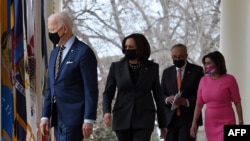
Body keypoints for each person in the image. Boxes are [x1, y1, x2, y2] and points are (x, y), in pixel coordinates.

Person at [39, 11, 99, 141]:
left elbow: (91, 88)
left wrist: (88, 118)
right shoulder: (54, 53)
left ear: (64, 28)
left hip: (74, 118)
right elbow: (50, 87)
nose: (50, 34)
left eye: (53, 29)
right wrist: (45, 116)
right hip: (57, 117)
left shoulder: (83, 52)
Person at [103, 33, 168, 141]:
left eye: (131, 47)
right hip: (122, 118)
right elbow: (108, 92)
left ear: (140, 49)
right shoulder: (116, 67)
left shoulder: (152, 68)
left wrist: (163, 124)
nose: (128, 49)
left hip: (144, 119)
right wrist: (106, 111)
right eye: (126, 47)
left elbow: (158, 97)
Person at [190, 51, 244, 141]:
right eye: (205, 63)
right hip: (210, 123)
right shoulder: (203, 80)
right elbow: (199, 103)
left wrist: (241, 121)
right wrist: (194, 122)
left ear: (217, 63)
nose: (206, 66)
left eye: (209, 63)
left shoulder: (230, 79)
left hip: (227, 120)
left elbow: (237, 101)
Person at [161, 43, 203, 141]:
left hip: (189, 118)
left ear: (186, 56)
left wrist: (187, 102)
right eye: (174, 57)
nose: (177, 59)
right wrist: (168, 99)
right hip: (170, 119)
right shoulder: (167, 72)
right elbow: (161, 94)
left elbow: (201, 94)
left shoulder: (197, 71)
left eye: (180, 56)